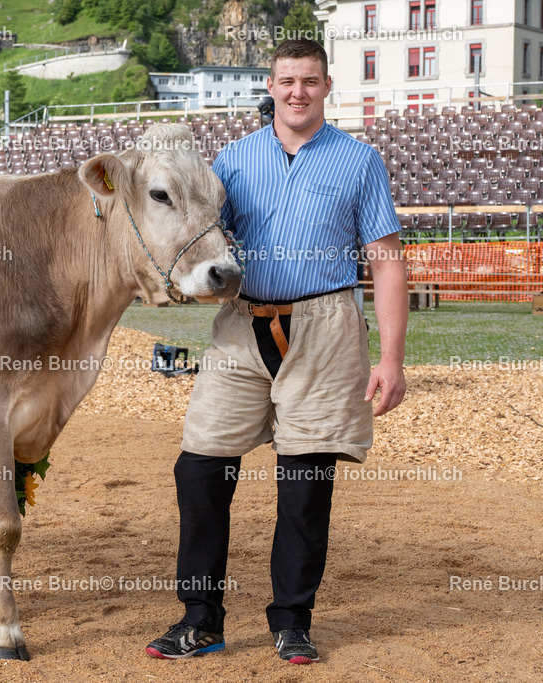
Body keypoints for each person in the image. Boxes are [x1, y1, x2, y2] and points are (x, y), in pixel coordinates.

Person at [146, 39, 408, 665]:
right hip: (243, 324)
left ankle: (292, 620)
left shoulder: (359, 161)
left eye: (309, 81)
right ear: (270, 83)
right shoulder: (233, 160)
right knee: (201, 468)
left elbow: (387, 261)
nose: (297, 92)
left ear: (325, 86)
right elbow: (196, 231)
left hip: (325, 325)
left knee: (306, 480)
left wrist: (392, 359)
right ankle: (200, 617)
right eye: (287, 80)